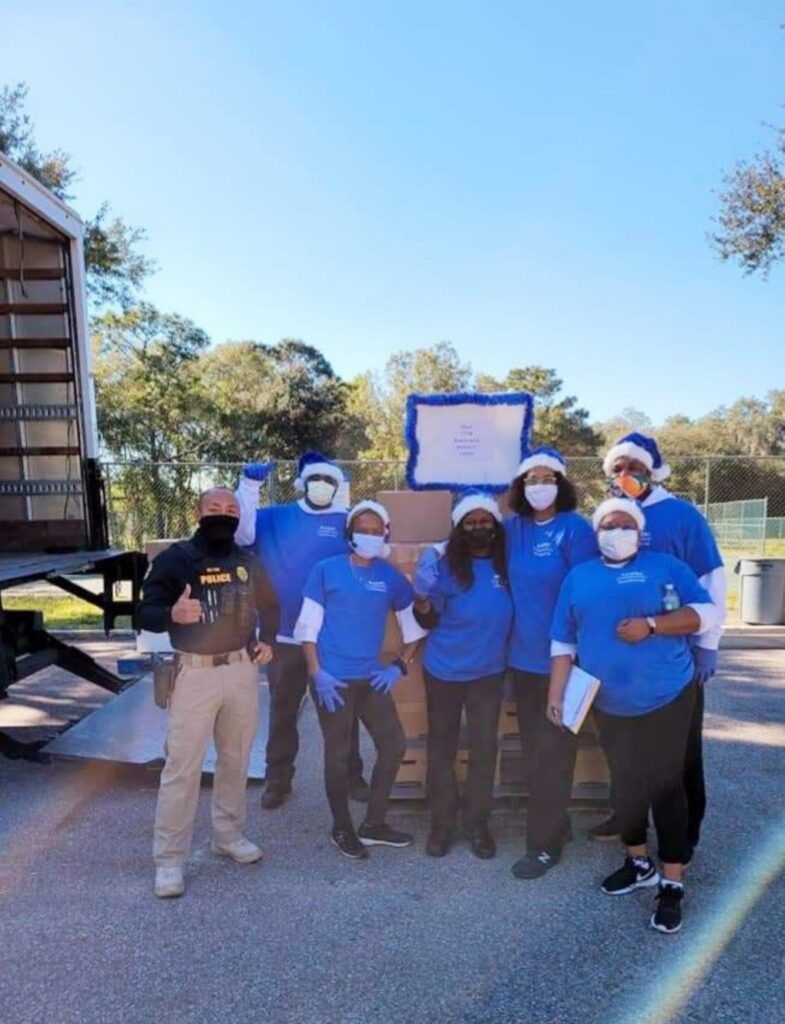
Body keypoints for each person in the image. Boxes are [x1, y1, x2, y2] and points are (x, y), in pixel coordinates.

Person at [548, 498, 721, 934]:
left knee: (666, 785)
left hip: (667, 696)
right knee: (624, 786)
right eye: (608, 524)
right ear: (596, 532)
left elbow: (707, 613)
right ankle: (638, 860)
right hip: (610, 704)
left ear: (638, 530)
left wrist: (653, 624)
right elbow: (563, 642)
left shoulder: (666, 567)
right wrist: (556, 694)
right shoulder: (579, 576)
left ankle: (673, 882)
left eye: (625, 524)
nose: (616, 530)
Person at [589, 433, 727, 857]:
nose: (626, 475)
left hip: (674, 656)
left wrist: (707, 644)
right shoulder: (610, 518)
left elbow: (710, 581)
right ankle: (626, 817)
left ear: (653, 471)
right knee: (625, 749)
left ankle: (684, 833)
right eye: (617, 469)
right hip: (620, 658)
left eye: (635, 467)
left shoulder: (681, 516)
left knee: (680, 754)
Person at [138, 487, 275, 899]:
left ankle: (228, 835)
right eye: (214, 508)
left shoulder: (248, 561)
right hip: (195, 674)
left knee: (236, 759)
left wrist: (265, 638)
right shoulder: (176, 559)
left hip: (240, 671)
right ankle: (169, 860)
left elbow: (271, 607)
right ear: (197, 512)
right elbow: (142, 611)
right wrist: (170, 614)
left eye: (231, 510)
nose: (224, 515)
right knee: (183, 767)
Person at [234, 451, 368, 810]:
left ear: (338, 487)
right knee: (282, 710)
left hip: (331, 640)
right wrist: (248, 486)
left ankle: (352, 777)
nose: (322, 486)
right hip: (285, 638)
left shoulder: (346, 522)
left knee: (341, 713)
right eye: (316, 480)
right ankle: (278, 780)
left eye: (330, 482)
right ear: (303, 483)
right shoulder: (275, 517)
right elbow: (242, 533)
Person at [294, 500, 426, 859]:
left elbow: (415, 630)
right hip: (331, 680)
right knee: (337, 756)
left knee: (394, 745)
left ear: (385, 535)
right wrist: (316, 673)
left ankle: (374, 824)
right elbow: (308, 628)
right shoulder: (326, 570)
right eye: (361, 531)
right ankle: (342, 827)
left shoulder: (389, 577)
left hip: (370, 680)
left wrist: (399, 666)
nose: (368, 537)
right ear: (349, 534)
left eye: (375, 531)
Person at [503, 446, 598, 880]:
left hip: (565, 663)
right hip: (524, 662)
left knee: (553, 756)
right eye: (532, 479)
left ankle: (543, 846)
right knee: (538, 752)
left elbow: (582, 594)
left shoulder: (575, 531)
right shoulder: (513, 530)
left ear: (561, 484)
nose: (539, 486)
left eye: (548, 478)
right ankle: (556, 826)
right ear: (521, 487)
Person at [412, 490, 513, 860]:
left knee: (485, 749)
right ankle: (441, 825)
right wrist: (421, 596)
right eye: (470, 523)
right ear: (458, 529)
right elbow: (428, 619)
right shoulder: (444, 566)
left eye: (485, 522)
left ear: (495, 527)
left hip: (488, 673)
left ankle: (477, 824)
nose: (478, 528)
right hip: (444, 672)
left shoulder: (507, 565)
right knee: (443, 749)